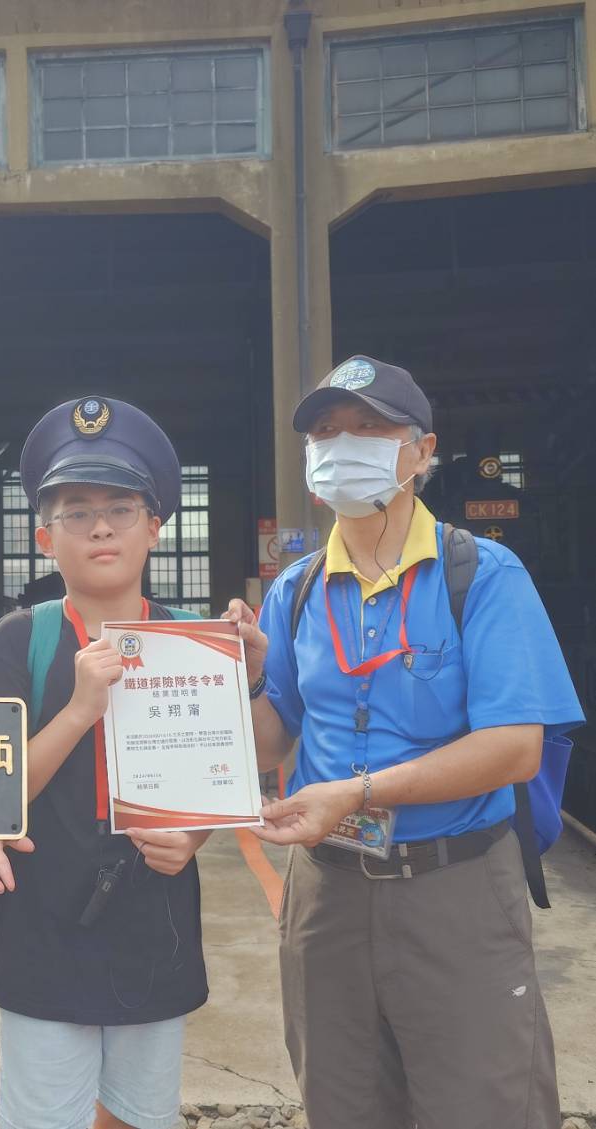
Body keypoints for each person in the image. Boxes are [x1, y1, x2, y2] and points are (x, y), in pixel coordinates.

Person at [224, 355, 584, 1129]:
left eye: (368, 427)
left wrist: (358, 793)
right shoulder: (295, 590)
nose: (341, 443)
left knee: (483, 1105)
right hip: (328, 894)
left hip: (454, 886)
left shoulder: (480, 574)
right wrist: (246, 680)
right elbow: (270, 741)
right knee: (343, 1104)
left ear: (421, 452)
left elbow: (512, 747)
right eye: (325, 430)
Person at [0, 397, 213, 1129]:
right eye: (75, 511)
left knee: (139, 1115)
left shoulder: (193, 641)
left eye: (120, 507)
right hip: (43, 926)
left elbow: (217, 779)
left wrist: (195, 837)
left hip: (152, 923)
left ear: (155, 527)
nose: (99, 525)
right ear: (42, 537)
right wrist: (77, 709)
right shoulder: (17, 640)